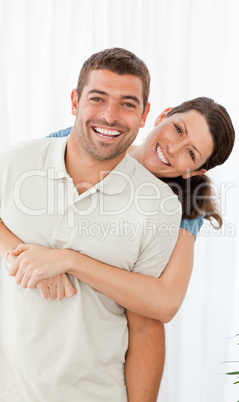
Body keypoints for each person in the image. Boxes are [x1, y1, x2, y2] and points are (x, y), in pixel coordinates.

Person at [0, 48, 182, 402]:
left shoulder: (159, 205)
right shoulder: (16, 161)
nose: (110, 116)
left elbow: (145, 326)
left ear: (144, 115)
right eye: (98, 98)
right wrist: (22, 256)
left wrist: (66, 259)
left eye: (128, 104)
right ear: (74, 101)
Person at [1, 97, 235, 325]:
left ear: (194, 172)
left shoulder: (183, 208)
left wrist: (69, 261)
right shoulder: (81, 140)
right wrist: (18, 255)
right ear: (162, 116)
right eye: (177, 129)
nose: (173, 148)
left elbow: (166, 302)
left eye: (191, 153)